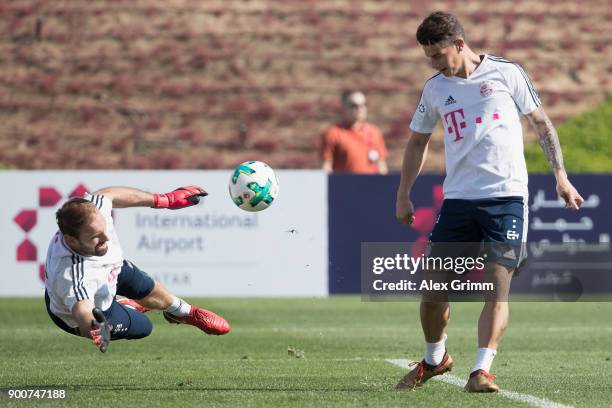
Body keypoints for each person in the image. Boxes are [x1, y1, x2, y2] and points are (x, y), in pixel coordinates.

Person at [395, 12, 584, 392]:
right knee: (433, 292)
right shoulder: (434, 89)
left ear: (460, 45)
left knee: (497, 286)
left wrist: (560, 175)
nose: (432, 63)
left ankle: (481, 370)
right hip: (459, 200)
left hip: (507, 197)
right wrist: (403, 193)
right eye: (427, 56)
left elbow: (542, 124)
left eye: (438, 54)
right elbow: (418, 140)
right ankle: (435, 359)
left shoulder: (506, 73)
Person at [44, 185, 230, 353]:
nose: (106, 238)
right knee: (144, 327)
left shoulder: (91, 212)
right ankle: (126, 305)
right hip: (88, 311)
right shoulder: (72, 274)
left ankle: (185, 313)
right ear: (71, 240)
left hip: (110, 269)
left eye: (105, 230)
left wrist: (163, 200)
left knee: (144, 284)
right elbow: (82, 309)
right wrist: (94, 327)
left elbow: (109, 194)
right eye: (96, 236)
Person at [321, 90, 388, 174]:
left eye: (363, 105)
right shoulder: (334, 133)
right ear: (345, 108)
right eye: (354, 106)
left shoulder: (375, 132)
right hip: (345, 185)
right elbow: (327, 165)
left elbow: (381, 164)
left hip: (371, 185)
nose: (359, 109)